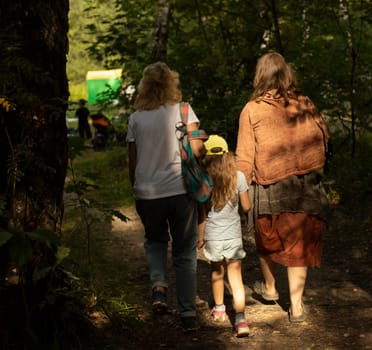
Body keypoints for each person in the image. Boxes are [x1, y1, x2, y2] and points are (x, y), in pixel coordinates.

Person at [235, 52, 330, 323]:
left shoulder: (251, 109)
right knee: (297, 244)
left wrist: (240, 192)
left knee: (266, 239)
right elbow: (324, 137)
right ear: (286, 73)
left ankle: (270, 286)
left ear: (259, 75)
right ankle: (297, 306)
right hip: (304, 186)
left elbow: (244, 156)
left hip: (267, 187)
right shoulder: (305, 103)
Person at [126, 62, 204, 332]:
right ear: (172, 83)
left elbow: (132, 162)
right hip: (180, 191)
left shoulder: (136, 118)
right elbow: (197, 151)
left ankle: (159, 288)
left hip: (148, 193)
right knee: (184, 253)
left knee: (155, 241)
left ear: (144, 86)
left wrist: (138, 190)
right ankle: (188, 314)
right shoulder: (183, 111)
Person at [197, 135, 251, 337]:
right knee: (236, 277)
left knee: (217, 273)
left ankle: (219, 309)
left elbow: (202, 214)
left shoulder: (204, 179)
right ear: (227, 155)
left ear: (207, 157)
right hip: (233, 236)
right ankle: (240, 320)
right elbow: (246, 207)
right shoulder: (238, 177)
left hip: (213, 236)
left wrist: (200, 236)